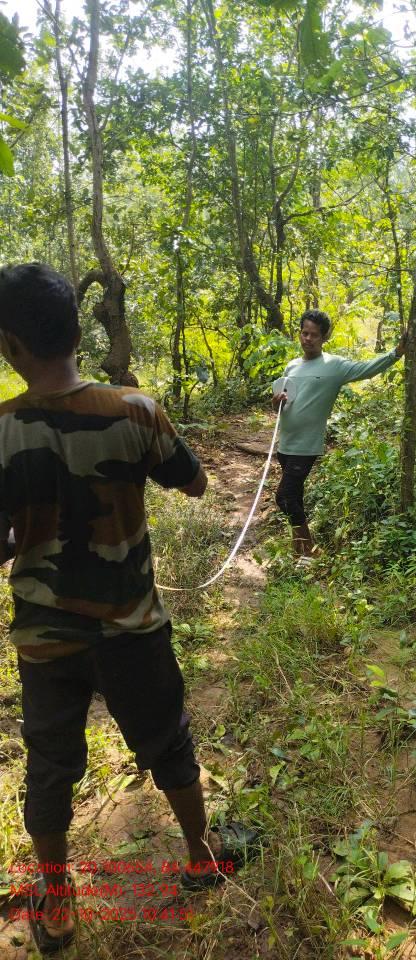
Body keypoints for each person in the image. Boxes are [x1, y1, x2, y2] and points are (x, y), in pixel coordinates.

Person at [0, 263, 258, 955]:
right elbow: (195, 483)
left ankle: (58, 907)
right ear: (78, 333)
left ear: (10, 345)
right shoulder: (134, 410)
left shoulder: (2, 430)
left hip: (45, 640)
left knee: (50, 768)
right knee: (167, 742)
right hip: (132, 630)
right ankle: (201, 858)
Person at [272, 308, 407, 560]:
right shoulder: (292, 366)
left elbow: (367, 368)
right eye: (304, 333)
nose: (307, 339)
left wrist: (396, 353)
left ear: (324, 337)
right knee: (295, 497)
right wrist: (276, 402)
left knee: (284, 497)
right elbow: (283, 407)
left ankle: (310, 551)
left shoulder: (334, 366)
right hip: (285, 445)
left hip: (306, 446)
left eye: (314, 335)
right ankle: (298, 550)